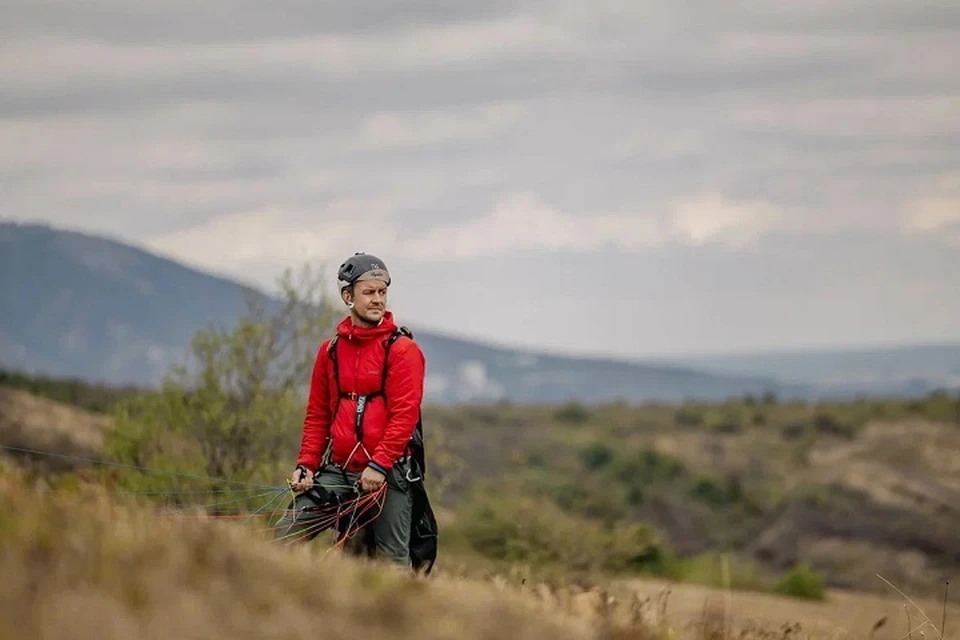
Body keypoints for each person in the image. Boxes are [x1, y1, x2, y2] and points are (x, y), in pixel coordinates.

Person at [274, 252, 428, 568]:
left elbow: (404, 415)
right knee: (283, 536)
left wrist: (380, 465)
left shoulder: (403, 350)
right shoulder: (330, 351)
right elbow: (317, 414)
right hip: (339, 471)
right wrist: (307, 465)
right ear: (348, 296)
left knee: (391, 565)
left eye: (382, 292)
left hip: (389, 474)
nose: (377, 300)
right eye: (369, 292)